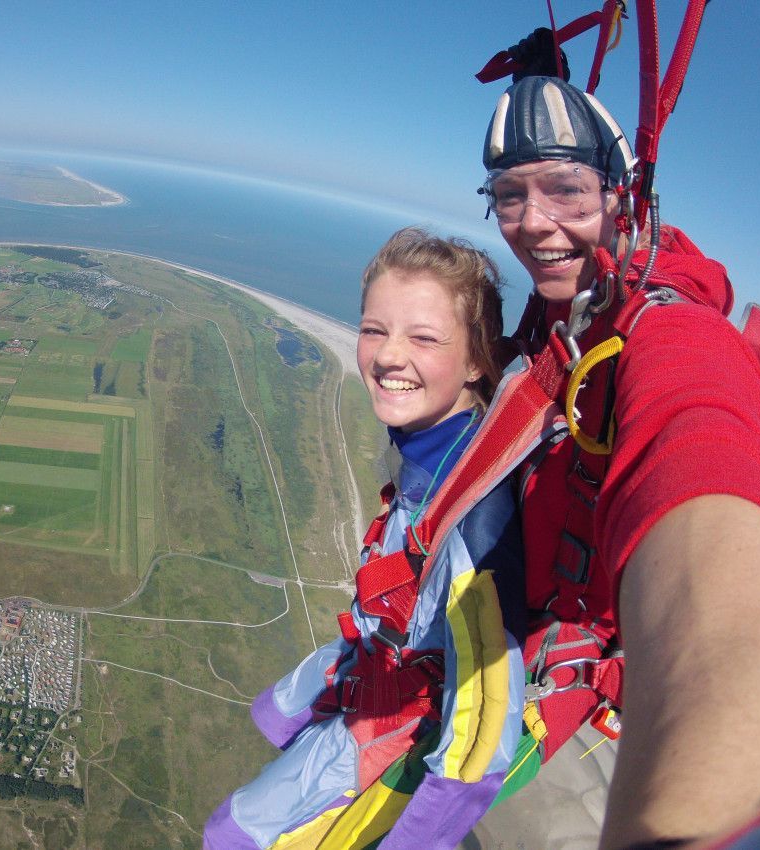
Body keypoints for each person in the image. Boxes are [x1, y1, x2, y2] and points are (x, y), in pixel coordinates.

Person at [479, 74, 760, 848]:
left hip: (608, 711)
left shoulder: (674, 334)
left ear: (622, 196)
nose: (532, 222)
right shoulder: (574, 311)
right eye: (507, 195)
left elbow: (699, 456)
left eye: (565, 190)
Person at [203, 228, 528, 849]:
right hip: (371, 681)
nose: (387, 356)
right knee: (276, 721)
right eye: (374, 329)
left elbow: (483, 730)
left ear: (478, 360)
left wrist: (413, 841)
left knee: (233, 836)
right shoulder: (439, 458)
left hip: (392, 731)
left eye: (424, 338)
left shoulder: (474, 520)